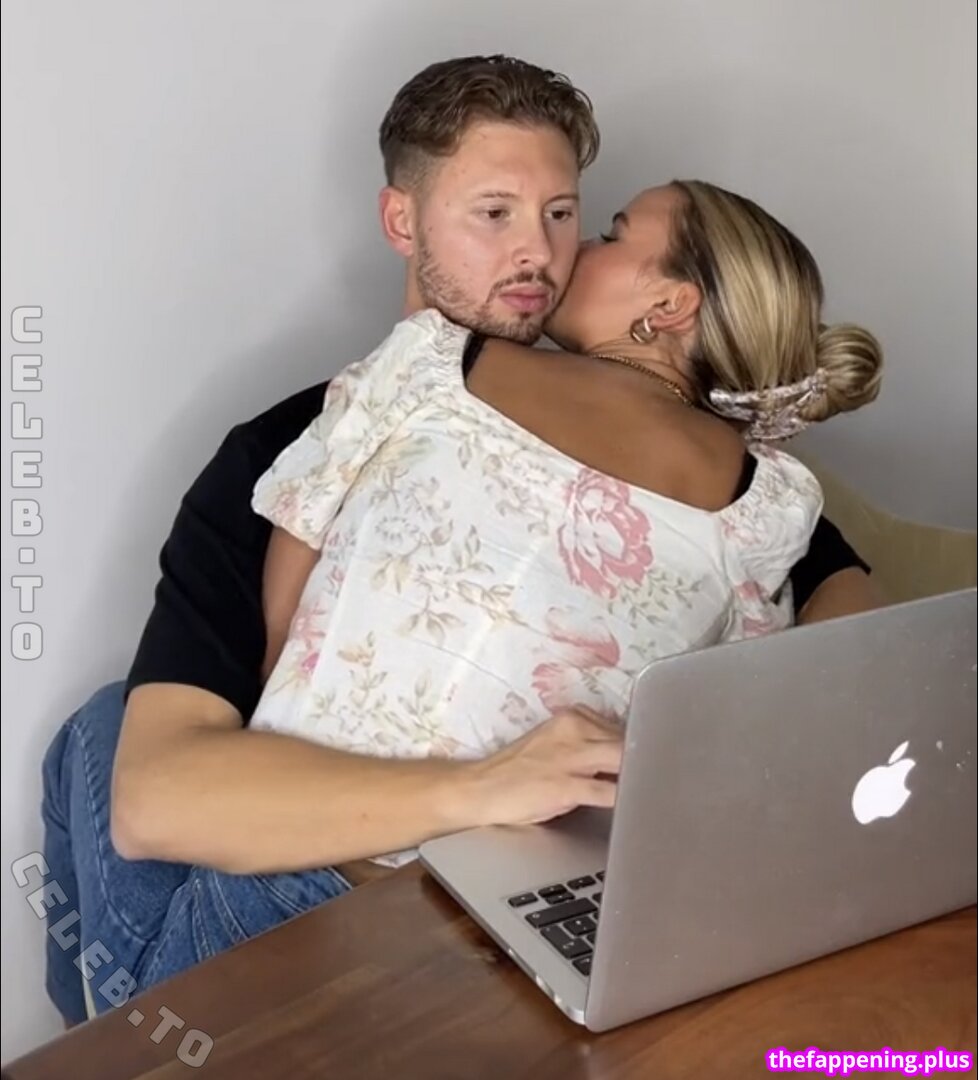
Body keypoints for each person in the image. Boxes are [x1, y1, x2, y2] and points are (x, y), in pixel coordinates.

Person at [40, 55, 882, 1027]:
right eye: (493, 213)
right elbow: (160, 798)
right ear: (404, 222)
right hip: (503, 911)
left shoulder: (750, 494)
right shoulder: (766, 494)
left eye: (569, 216)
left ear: (669, 306)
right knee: (104, 730)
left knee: (95, 744)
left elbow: (832, 610)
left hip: (377, 914)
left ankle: (115, 1041)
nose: (543, 254)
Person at [244, 179, 883, 871]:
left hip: (299, 846)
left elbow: (300, 531)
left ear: (669, 305)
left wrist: (266, 729)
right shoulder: (766, 503)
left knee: (144, 778)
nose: (568, 249)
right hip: (486, 905)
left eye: (612, 234)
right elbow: (735, 709)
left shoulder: (436, 357)